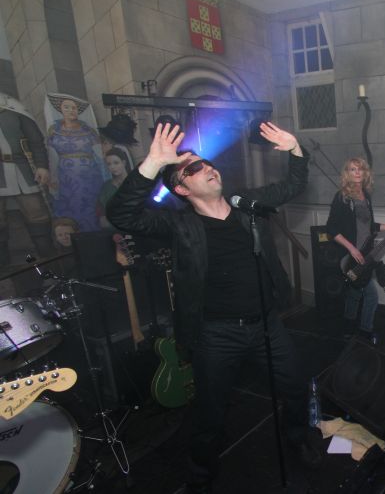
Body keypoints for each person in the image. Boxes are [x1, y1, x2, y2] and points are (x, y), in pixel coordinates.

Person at [106, 121, 321, 491]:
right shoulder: (179, 225)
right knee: (210, 411)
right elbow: (121, 215)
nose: (207, 167)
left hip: (266, 324)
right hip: (216, 334)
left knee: (295, 386)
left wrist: (295, 149)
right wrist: (152, 164)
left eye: (206, 162)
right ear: (181, 188)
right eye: (193, 168)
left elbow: (292, 186)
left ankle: (298, 439)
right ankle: (201, 473)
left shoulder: (246, 207)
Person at [325, 157, 385, 336]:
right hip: (350, 256)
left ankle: (348, 327)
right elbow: (331, 228)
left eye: (360, 169)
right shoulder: (342, 197)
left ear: (365, 173)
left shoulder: (366, 196)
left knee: (355, 293)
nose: (357, 172)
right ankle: (365, 330)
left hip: (365, 254)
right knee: (371, 295)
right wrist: (352, 248)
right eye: (352, 169)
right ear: (347, 173)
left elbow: (371, 226)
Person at [0, 95, 53, 265]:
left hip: (21, 169)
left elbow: (35, 140)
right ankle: (4, 271)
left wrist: (41, 166)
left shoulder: (13, 107)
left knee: (37, 215)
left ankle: (49, 261)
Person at [46, 94, 105, 231]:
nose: (71, 110)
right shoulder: (54, 131)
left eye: (74, 108)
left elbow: (99, 154)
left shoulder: (88, 130)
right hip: (65, 177)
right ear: (60, 110)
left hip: (89, 176)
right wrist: (52, 177)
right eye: (66, 107)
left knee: (91, 206)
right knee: (70, 205)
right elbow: (51, 156)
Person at [97, 148, 131, 229]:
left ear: (124, 163)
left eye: (116, 163)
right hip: (115, 231)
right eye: (109, 164)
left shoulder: (136, 182)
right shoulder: (106, 187)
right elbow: (102, 215)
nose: (112, 167)